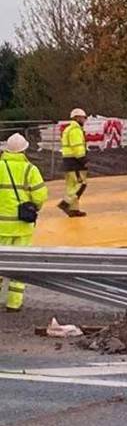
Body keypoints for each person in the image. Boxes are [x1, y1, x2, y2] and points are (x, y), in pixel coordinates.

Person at [0, 133, 48, 312]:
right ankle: (14, 303)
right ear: (24, 150)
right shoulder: (30, 169)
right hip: (22, 226)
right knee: (19, 266)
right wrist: (33, 206)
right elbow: (40, 195)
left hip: (1, 227)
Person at [57, 107, 88, 217]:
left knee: (71, 186)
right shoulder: (75, 130)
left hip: (68, 162)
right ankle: (66, 203)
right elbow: (77, 147)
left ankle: (73, 210)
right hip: (75, 162)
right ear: (77, 118)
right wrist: (83, 160)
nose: (84, 120)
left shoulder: (67, 129)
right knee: (81, 184)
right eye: (83, 118)